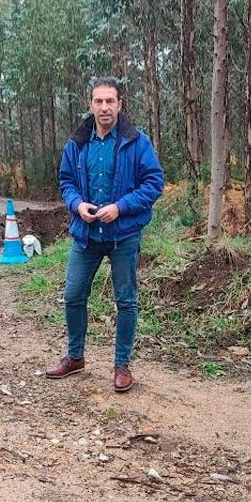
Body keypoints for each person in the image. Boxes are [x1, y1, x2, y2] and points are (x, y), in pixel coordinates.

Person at [44, 77, 165, 392]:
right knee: (73, 295)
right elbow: (66, 180)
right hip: (86, 236)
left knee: (126, 301)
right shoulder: (78, 142)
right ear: (91, 105)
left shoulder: (137, 142)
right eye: (99, 101)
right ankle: (75, 358)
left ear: (120, 104)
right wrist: (76, 203)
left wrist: (121, 207)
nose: (104, 107)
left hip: (123, 235)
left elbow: (154, 183)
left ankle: (122, 366)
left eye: (110, 101)